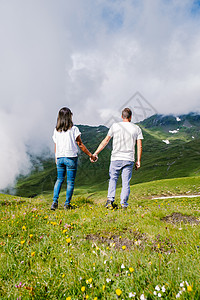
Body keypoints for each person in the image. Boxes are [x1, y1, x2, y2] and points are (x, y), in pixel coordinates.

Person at [93, 108, 143, 209]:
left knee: (113, 179)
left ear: (122, 116)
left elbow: (105, 141)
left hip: (116, 158)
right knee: (126, 182)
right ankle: (124, 204)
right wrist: (138, 160)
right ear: (130, 117)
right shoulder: (136, 128)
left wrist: (96, 153)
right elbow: (139, 146)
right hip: (129, 159)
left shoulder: (115, 126)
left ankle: (110, 201)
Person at [51, 107, 97, 210]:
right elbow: (80, 144)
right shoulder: (74, 129)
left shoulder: (56, 130)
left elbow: (56, 145)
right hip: (71, 157)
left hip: (59, 157)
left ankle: (54, 202)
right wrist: (90, 155)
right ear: (69, 116)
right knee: (70, 182)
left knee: (59, 180)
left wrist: (56, 157)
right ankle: (67, 204)